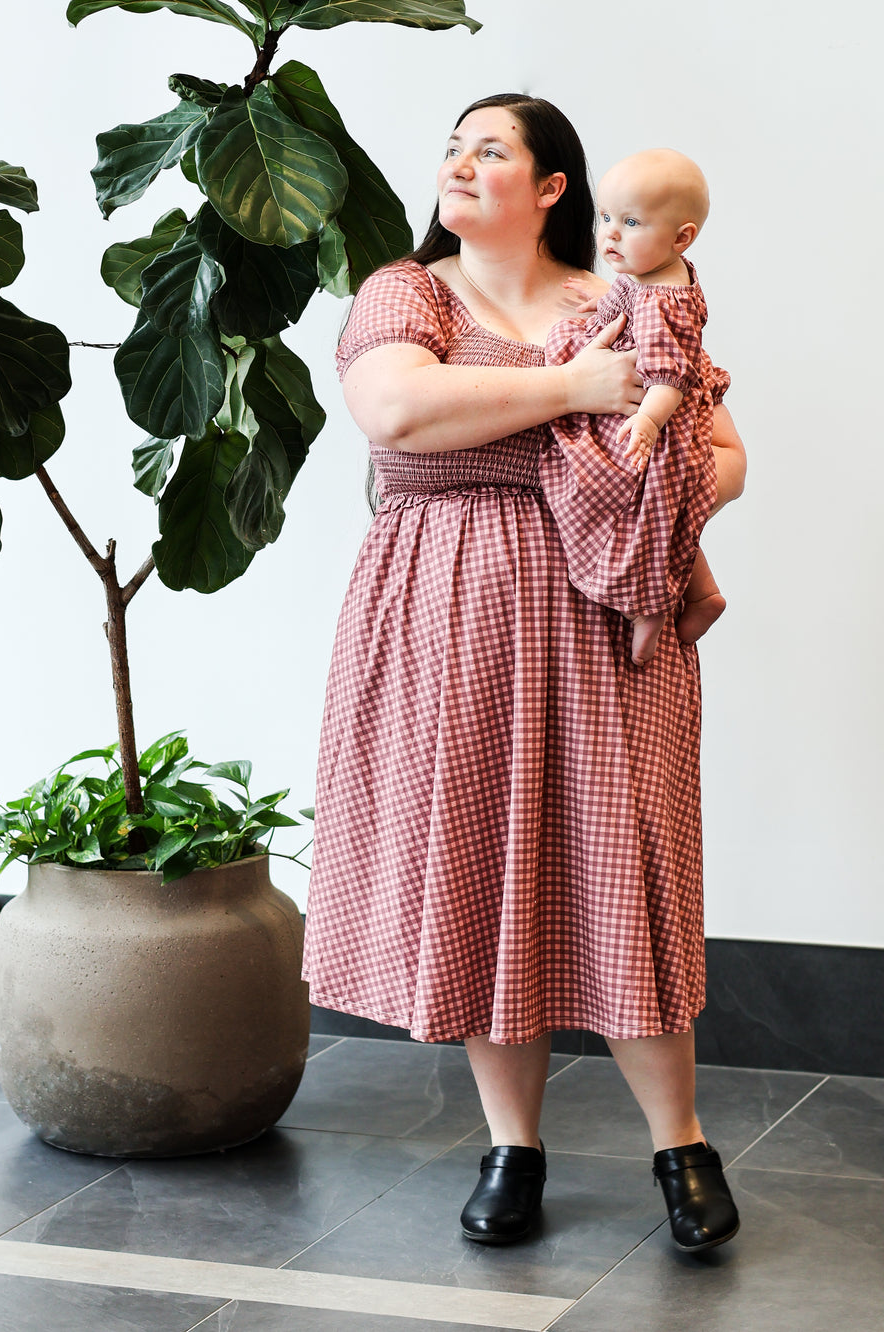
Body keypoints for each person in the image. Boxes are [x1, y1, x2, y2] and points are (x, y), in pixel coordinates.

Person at [302, 93, 747, 1255]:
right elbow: (394, 409)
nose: (457, 163)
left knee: (625, 871)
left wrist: (639, 453)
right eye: (450, 147)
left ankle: (681, 1141)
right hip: (445, 619)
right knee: (488, 872)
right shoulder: (406, 291)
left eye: (488, 149)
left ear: (553, 185)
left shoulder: (621, 297)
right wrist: (571, 395)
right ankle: (514, 1145)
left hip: (604, 622)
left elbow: (726, 454)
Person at [541, 147, 727, 667]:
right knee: (658, 513)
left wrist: (646, 423)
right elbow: (624, 300)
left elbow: (670, 377)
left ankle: (648, 608)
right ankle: (702, 590)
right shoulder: (656, 274)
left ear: (681, 238)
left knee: (645, 510)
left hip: (662, 419)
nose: (610, 235)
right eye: (604, 217)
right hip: (651, 407)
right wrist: (596, 307)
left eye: (631, 222)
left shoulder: (663, 303)